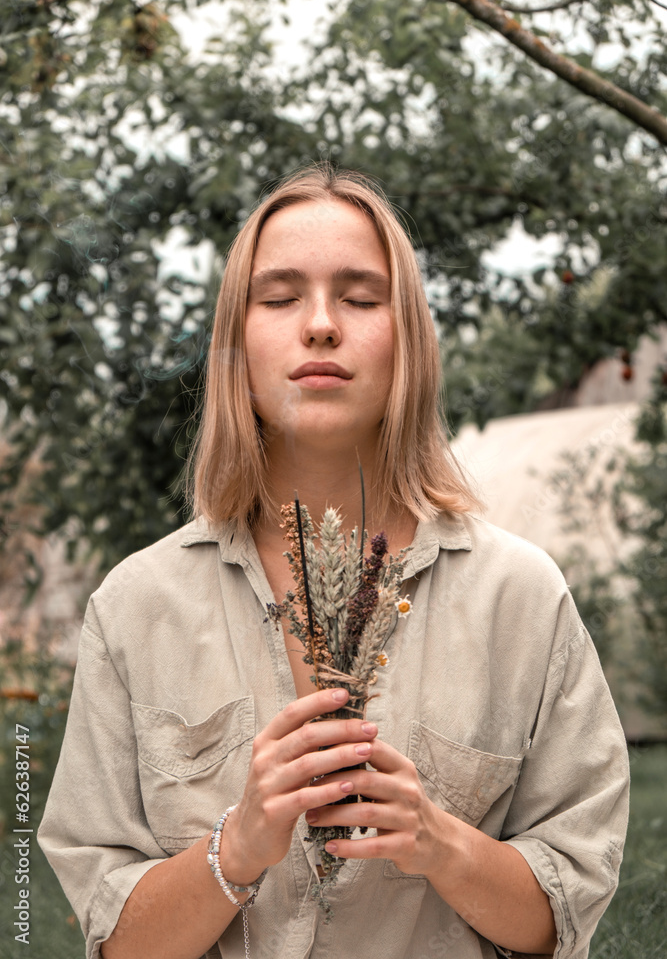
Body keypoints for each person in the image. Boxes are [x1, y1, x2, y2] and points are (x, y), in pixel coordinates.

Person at [38, 164, 630, 959]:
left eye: (359, 297)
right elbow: (113, 941)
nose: (319, 325)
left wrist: (437, 843)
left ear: (408, 339)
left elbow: (563, 917)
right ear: (235, 343)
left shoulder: (519, 598)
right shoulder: (135, 606)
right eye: (279, 298)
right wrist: (236, 847)